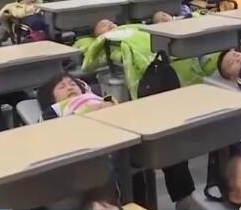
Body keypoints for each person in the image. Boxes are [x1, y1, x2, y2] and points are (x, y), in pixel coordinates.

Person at [36, 74, 194, 209]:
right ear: (51, 98)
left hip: (127, 138)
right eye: (61, 87)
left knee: (166, 142)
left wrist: (108, 105)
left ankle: (184, 197)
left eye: (72, 84)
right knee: (104, 171)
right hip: (97, 152)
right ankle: (113, 204)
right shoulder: (56, 109)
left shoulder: (95, 98)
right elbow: (50, 130)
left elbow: (120, 110)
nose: (69, 87)